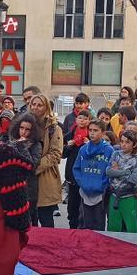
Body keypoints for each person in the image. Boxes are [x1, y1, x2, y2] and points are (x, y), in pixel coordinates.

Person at [73, 119, 114, 230]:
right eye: (90, 130)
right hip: (85, 191)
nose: (92, 133)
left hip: (100, 192)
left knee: (98, 224)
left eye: (95, 130)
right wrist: (82, 183)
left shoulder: (109, 150)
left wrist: (102, 185)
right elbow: (76, 168)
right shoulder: (83, 149)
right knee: (84, 222)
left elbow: (111, 171)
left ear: (103, 133)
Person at [29, 94, 63, 227]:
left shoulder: (54, 128)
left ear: (46, 108)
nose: (35, 107)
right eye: (33, 104)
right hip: (28, 180)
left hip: (45, 177)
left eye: (39, 105)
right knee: (29, 221)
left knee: (46, 218)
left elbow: (55, 154)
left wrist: (35, 166)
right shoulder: (24, 124)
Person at [106, 130, 137, 233]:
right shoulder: (116, 154)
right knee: (113, 226)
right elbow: (108, 172)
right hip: (114, 195)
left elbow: (135, 179)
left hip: (129, 196)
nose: (123, 144)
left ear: (134, 144)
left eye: (127, 142)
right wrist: (126, 172)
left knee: (131, 226)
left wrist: (117, 171)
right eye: (122, 141)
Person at [63, 111, 91, 229]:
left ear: (89, 121)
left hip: (87, 176)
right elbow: (63, 154)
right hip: (72, 176)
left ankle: (85, 228)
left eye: (85, 118)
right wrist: (68, 146)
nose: (82, 120)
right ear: (76, 120)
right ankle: (72, 227)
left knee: (85, 206)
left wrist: (89, 145)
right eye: (80, 118)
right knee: (72, 206)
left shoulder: (91, 135)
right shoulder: (70, 135)